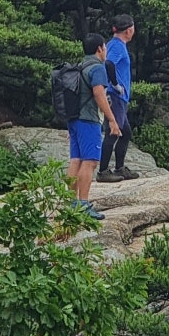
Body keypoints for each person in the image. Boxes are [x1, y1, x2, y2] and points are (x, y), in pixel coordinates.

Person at [67, 33, 121, 220]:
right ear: (99, 48)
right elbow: (99, 94)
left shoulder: (81, 65)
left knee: (76, 159)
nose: (105, 51)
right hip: (88, 119)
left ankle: (70, 201)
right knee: (90, 161)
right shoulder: (98, 68)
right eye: (105, 47)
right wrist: (112, 120)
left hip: (74, 118)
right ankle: (83, 204)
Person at [97, 13, 138, 182]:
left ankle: (119, 168)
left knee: (125, 132)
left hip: (120, 98)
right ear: (128, 31)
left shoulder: (116, 45)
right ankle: (103, 171)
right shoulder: (117, 46)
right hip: (116, 97)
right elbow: (108, 63)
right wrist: (115, 85)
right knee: (114, 132)